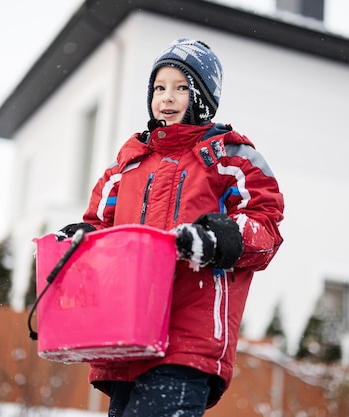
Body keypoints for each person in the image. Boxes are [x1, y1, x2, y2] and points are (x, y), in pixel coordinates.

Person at [56, 38, 284, 417]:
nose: (166, 97)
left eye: (181, 88)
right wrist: (78, 239)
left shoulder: (229, 159)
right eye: (159, 88)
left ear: (204, 98)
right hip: (127, 336)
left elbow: (264, 225)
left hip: (188, 339)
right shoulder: (126, 168)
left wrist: (218, 236)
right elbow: (101, 228)